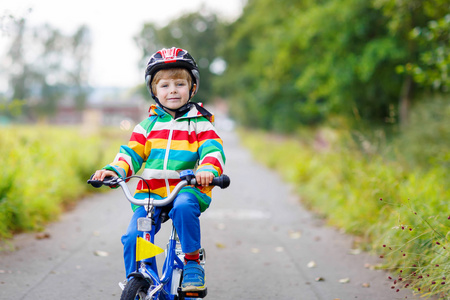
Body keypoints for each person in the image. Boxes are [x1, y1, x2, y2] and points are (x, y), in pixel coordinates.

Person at [92, 47, 225, 292]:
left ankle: (192, 261)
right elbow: (130, 154)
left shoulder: (200, 124)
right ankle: (143, 278)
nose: (172, 90)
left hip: (187, 190)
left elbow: (212, 151)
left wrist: (207, 169)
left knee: (184, 207)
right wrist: (114, 170)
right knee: (135, 236)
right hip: (150, 195)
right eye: (164, 85)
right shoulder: (147, 126)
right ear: (154, 91)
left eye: (179, 84)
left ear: (192, 88)